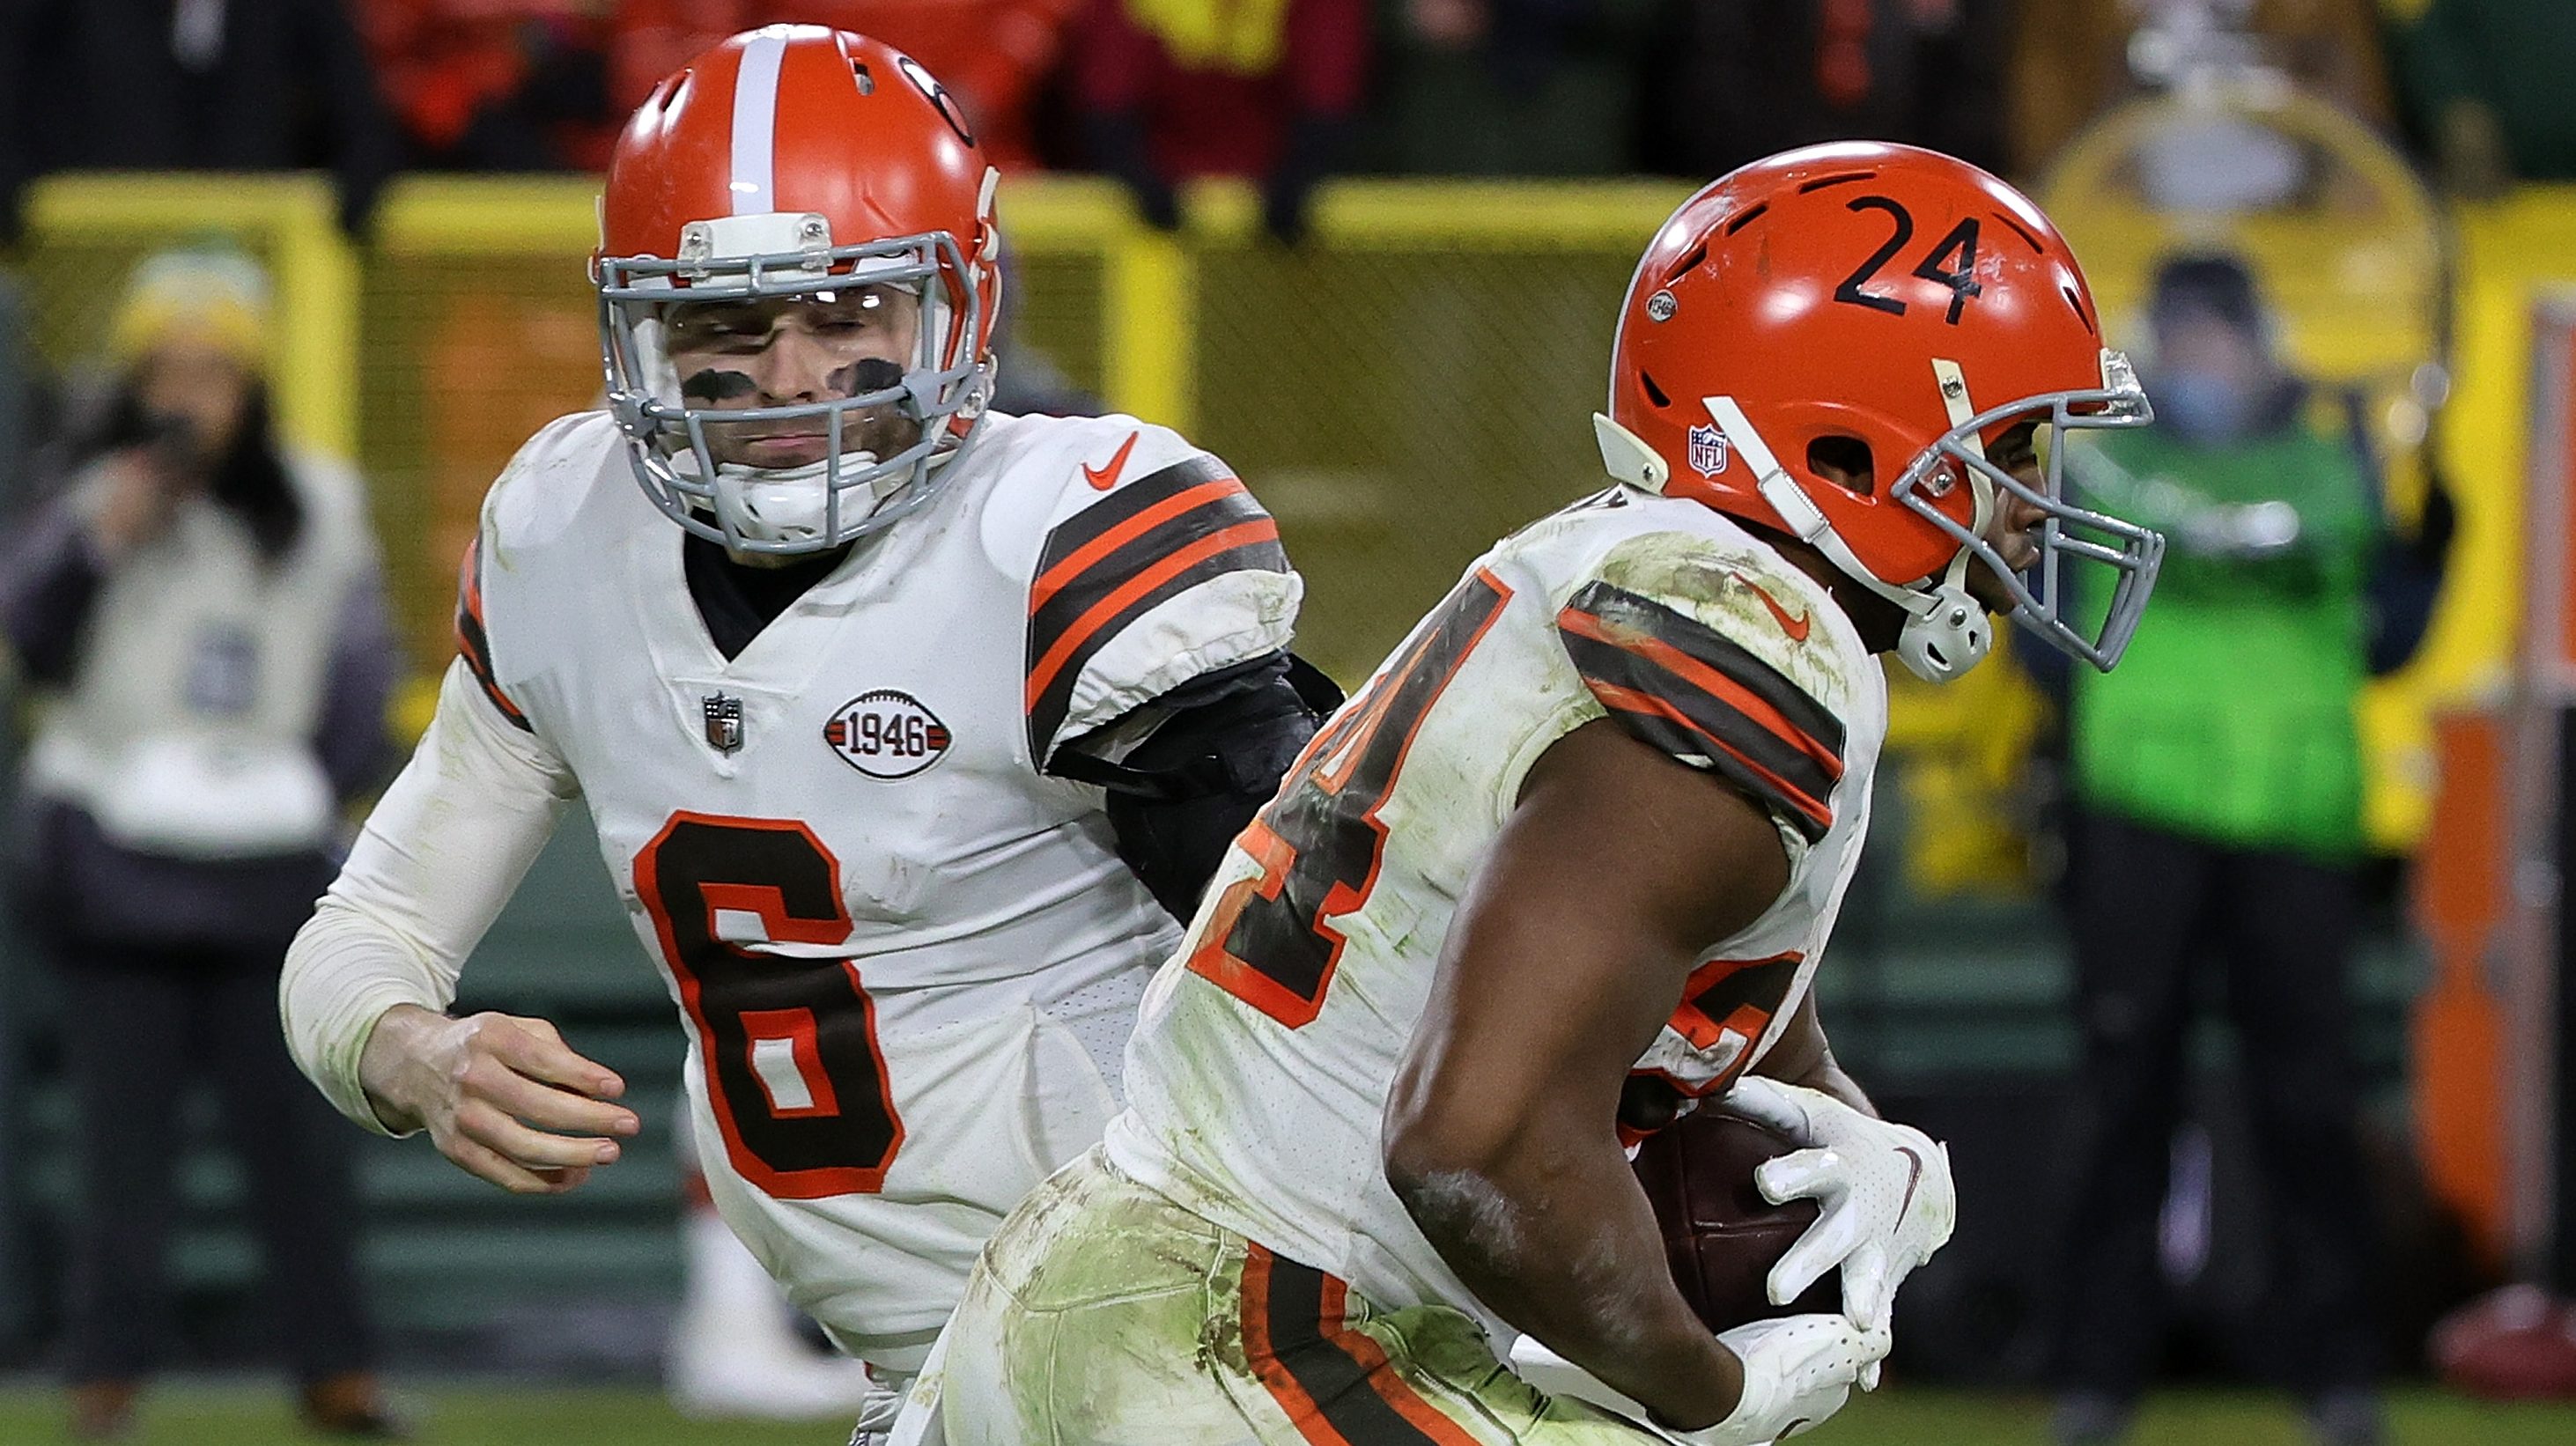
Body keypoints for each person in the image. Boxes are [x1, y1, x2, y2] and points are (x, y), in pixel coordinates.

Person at [925, 140, 2168, 1442]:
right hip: (1239, 1334)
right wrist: (1714, 1394)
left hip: (1148, 1291)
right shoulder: (1748, 653)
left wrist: (1874, 1150)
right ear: (1851, 445)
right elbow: (1474, 1141)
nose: (2035, 500)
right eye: (2012, 442)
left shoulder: (1669, 579)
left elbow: (1690, 989)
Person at [277, 24, 1329, 1438]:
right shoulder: (564, 534)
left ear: (952, 308)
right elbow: (365, 928)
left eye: (847, 313)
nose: (789, 377)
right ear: (639, 330)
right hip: (930, 1381)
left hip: (1183, 1345)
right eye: (726, 322)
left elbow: (1334, 976)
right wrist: (411, 1050)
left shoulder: (1057, 536)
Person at [0, 248, 401, 1439]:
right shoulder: (85, 495)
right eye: (167, 370)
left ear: (254, 380)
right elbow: (33, 642)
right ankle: (103, 1374)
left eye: (214, 369)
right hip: (116, 856)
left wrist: (308, 790)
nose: (189, 395)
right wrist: (100, 539)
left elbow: (357, 670)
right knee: (124, 1154)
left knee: (300, 1149)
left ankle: (337, 1368)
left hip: (266, 860)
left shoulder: (318, 502)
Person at [2046, 253, 2398, 1446]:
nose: (2202, 360)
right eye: (2182, 335)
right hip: (2141, 807)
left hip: (2293, 814)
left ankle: (2337, 1374)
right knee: (2118, 1095)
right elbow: (2048, 634)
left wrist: (2428, 522)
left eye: (2217, 335)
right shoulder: (2106, 460)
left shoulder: (2331, 457)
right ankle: (2092, 1375)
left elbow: (2391, 624)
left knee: (2306, 1102)